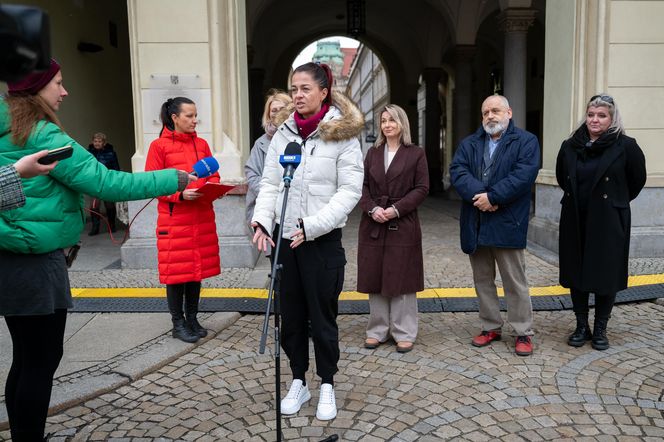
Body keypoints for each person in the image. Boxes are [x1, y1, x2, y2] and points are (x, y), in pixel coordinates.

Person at [0, 59, 192, 442]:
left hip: (8, 259)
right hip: (36, 262)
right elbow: (107, 184)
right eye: (58, 83)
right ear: (36, 89)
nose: (64, 91)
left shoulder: (7, 131)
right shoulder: (43, 135)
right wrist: (174, 177)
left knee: (23, 357)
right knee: (40, 362)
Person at [251, 62, 363, 421]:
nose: (297, 95)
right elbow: (270, 183)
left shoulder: (343, 135)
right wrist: (262, 222)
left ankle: (327, 383)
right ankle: (298, 381)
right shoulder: (283, 133)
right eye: (294, 89)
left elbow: (349, 191)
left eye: (305, 89)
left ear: (324, 92)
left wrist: (312, 226)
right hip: (285, 240)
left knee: (322, 317)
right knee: (293, 318)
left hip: (321, 240)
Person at [449, 94, 540, 357]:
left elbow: (523, 175)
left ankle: (523, 331)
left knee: (515, 280)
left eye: (496, 110)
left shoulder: (526, 141)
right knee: (483, 280)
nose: (490, 116)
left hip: (508, 220)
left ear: (509, 113)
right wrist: (483, 197)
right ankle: (490, 326)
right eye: (486, 112)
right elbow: (459, 171)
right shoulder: (470, 143)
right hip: (476, 221)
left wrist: (494, 197)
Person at [556, 94, 646, 350]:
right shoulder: (570, 145)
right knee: (577, 272)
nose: (595, 120)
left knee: (605, 273)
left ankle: (600, 328)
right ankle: (581, 325)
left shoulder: (626, 146)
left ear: (611, 118)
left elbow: (636, 180)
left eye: (601, 115)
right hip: (575, 216)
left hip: (608, 219)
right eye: (591, 115)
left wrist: (614, 201)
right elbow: (564, 178)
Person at [145, 96, 221, 345]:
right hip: (175, 221)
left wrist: (213, 187)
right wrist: (180, 194)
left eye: (195, 114)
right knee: (177, 274)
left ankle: (193, 319)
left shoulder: (202, 143)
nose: (194, 120)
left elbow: (215, 174)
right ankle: (178, 324)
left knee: (195, 273)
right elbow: (152, 184)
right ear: (175, 118)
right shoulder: (159, 147)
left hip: (200, 218)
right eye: (189, 115)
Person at [357, 104, 429, 354]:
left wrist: (396, 209)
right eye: (384, 120)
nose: (387, 125)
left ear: (402, 124)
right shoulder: (372, 153)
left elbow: (422, 188)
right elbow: (362, 186)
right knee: (374, 276)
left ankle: (404, 331)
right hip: (374, 222)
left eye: (392, 120)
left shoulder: (416, 153)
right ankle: (377, 329)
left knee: (402, 278)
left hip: (402, 222)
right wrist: (372, 209)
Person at [245, 90, 293, 225]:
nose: (277, 113)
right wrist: (271, 195)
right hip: (266, 209)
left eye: (282, 109)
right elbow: (251, 173)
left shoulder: (300, 138)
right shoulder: (260, 143)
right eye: (273, 110)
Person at [87, 132, 121, 235]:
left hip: (107, 181)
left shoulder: (111, 153)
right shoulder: (88, 153)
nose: (97, 143)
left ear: (104, 143)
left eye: (99, 141)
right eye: (95, 141)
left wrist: (115, 180)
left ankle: (112, 225)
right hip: (94, 182)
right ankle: (95, 228)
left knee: (109, 204)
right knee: (94, 205)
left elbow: (116, 168)